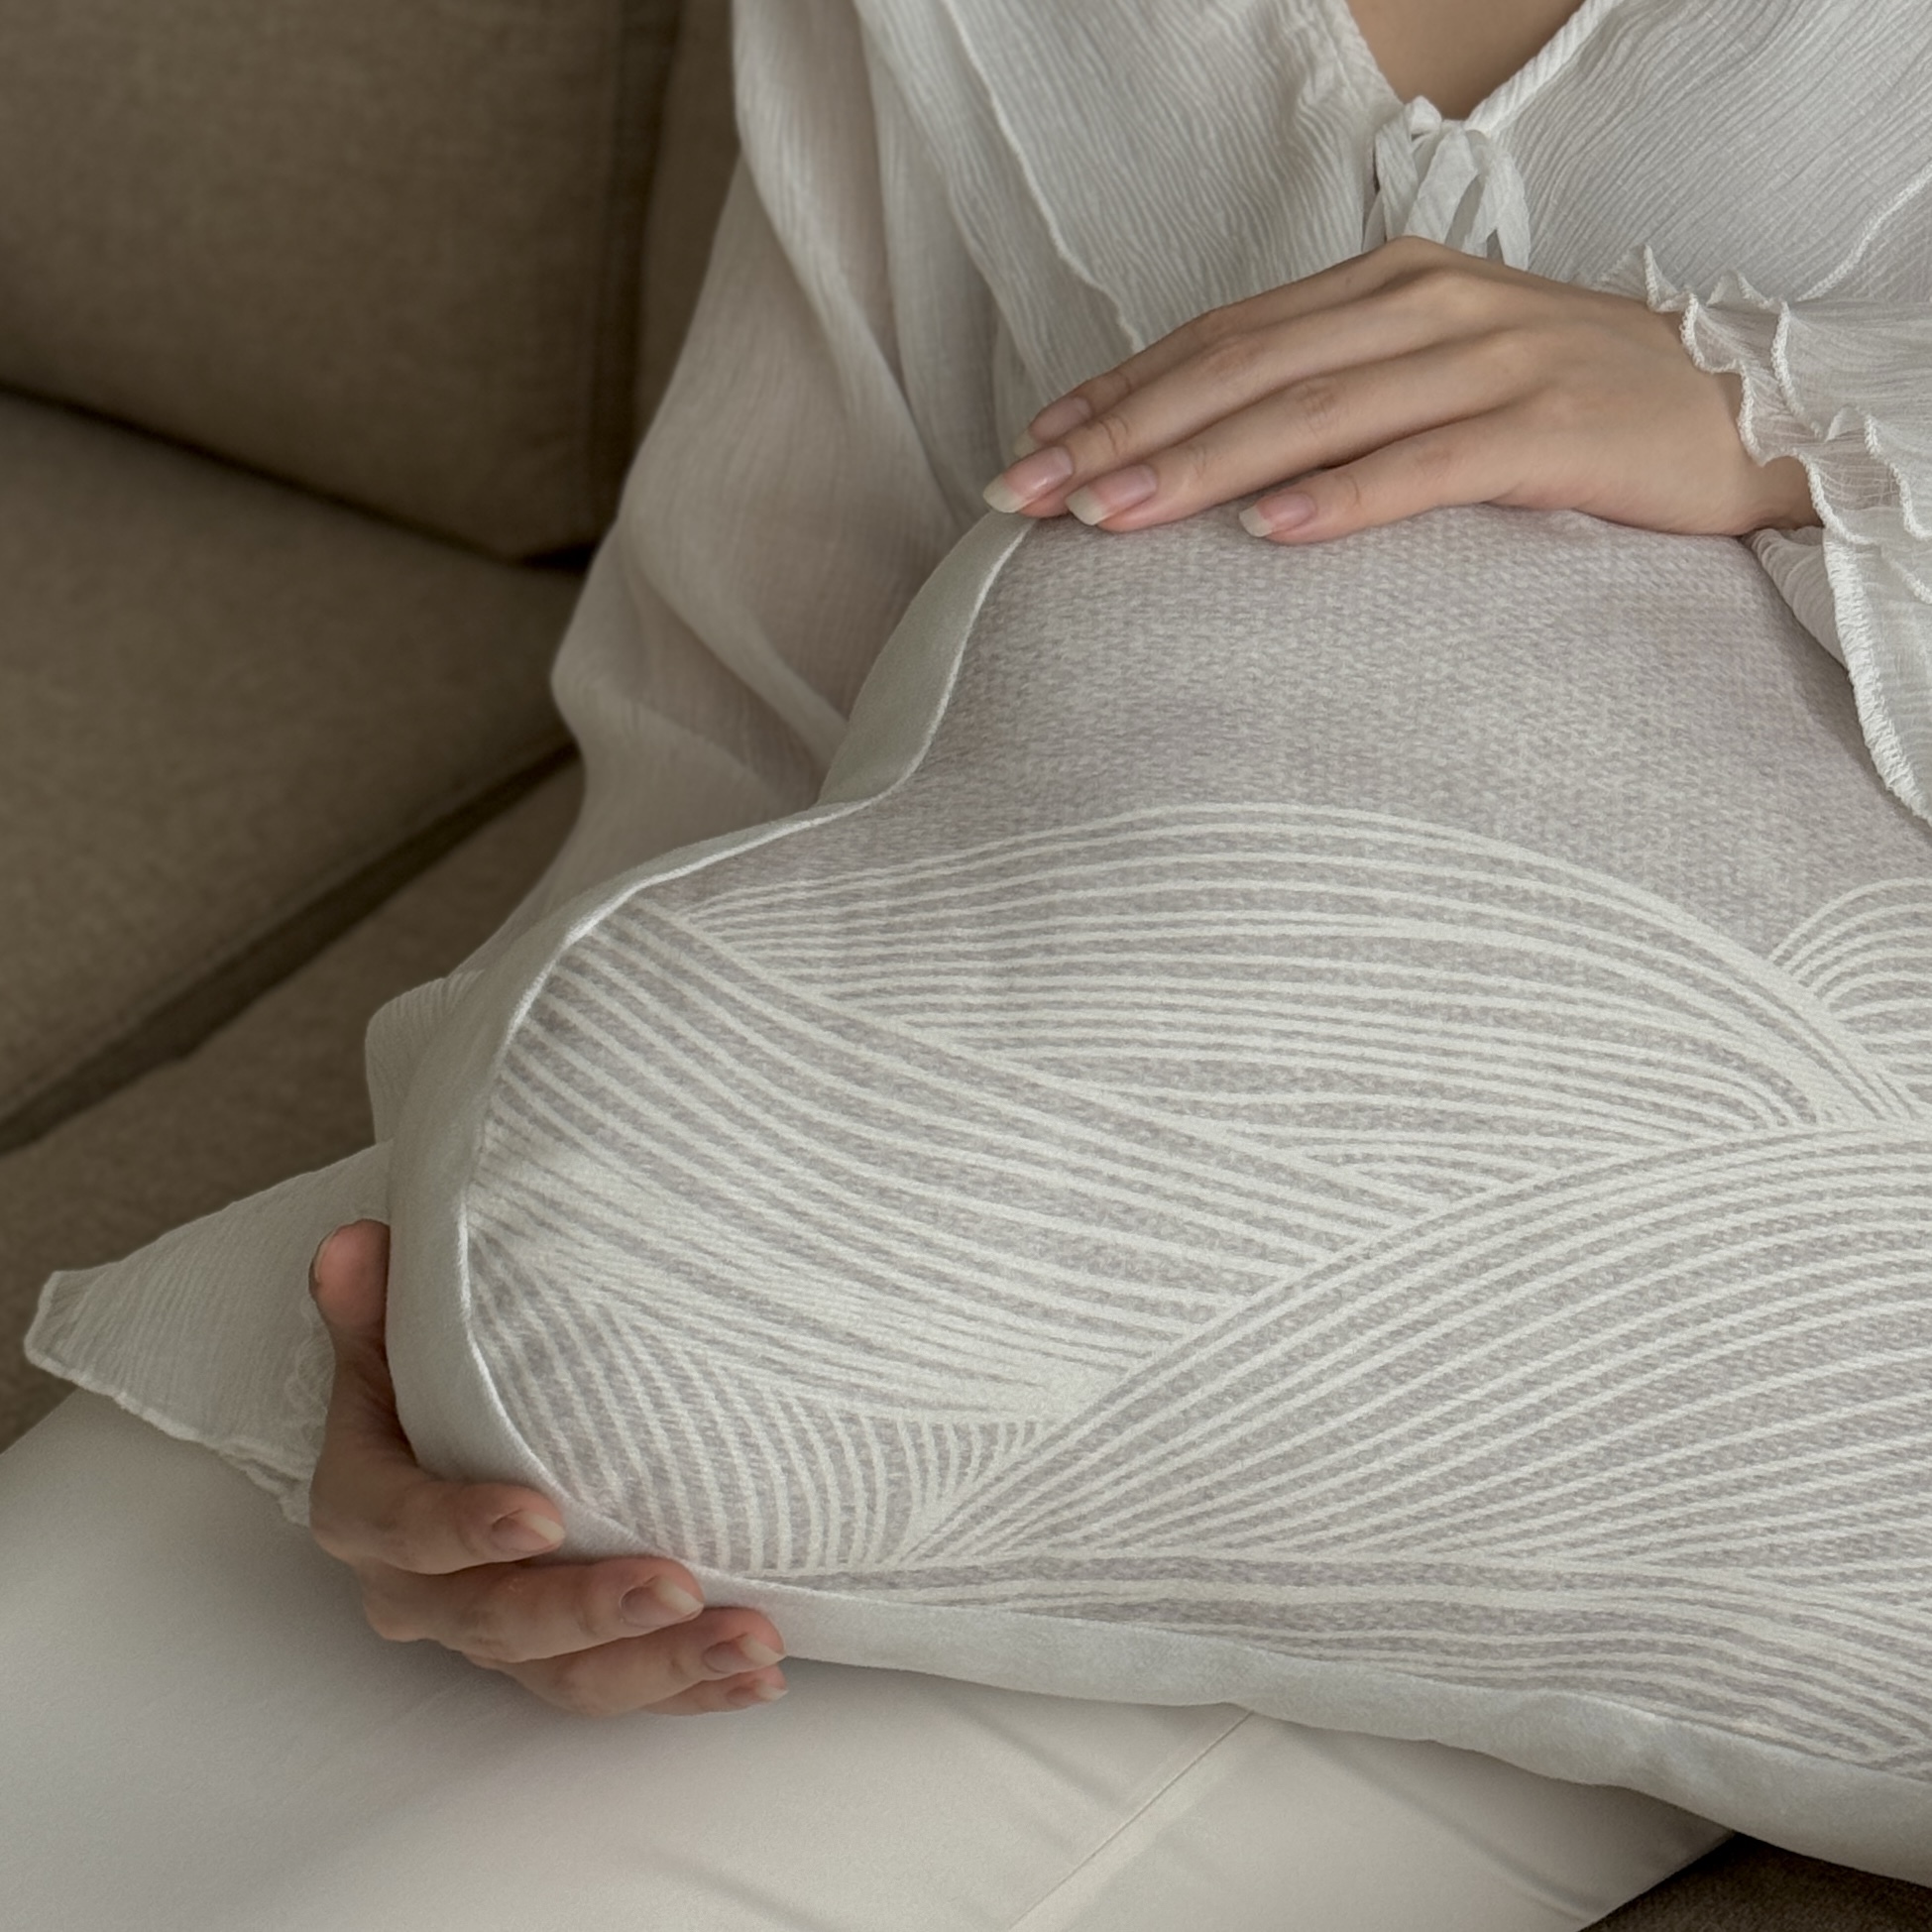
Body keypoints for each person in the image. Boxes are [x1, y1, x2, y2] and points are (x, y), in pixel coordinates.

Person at [46, 0, 1930, 1919]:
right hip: (915, 1191)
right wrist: (469, 1315)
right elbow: (747, 728)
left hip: (1619, 1396)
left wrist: (1791, 426)